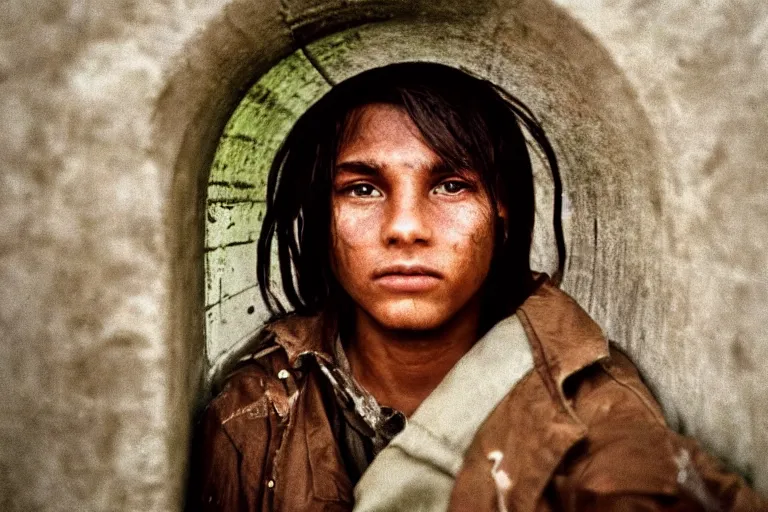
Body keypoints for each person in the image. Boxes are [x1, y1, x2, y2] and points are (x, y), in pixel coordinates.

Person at [188, 62, 766, 511]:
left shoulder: (587, 407)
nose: (406, 227)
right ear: (322, 214)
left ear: (502, 212)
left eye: (451, 186)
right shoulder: (254, 411)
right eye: (362, 189)